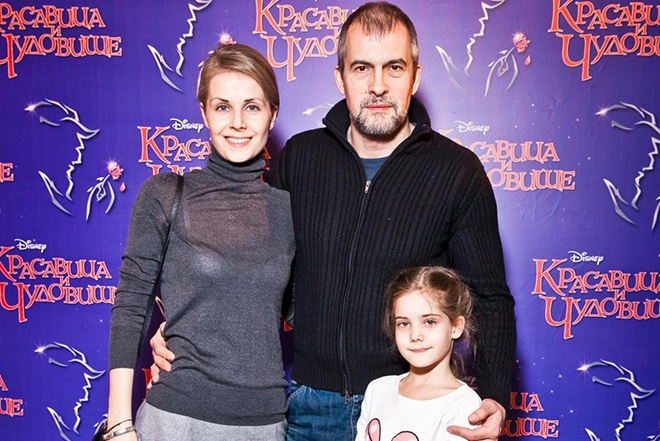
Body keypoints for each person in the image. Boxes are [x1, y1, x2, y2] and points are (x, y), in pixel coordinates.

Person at [152, 3, 516, 441]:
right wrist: (182, 331)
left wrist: (495, 394)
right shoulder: (299, 159)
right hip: (311, 406)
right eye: (362, 68)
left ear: (415, 77)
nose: (378, 85)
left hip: (411, 408)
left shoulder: (458, 171)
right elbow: (245, 271)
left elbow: (489, 296)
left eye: (394, 67)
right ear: (340, 77)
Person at [105, 42, 295, 441]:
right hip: (176, 419)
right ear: (205, 113)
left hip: (264, 423)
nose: (238, 122)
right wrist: (119, 424)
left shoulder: (288, 210)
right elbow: (131, 306)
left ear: (273, 114)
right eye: (223, 107)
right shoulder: (165, 194)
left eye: (252, 107)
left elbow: (304, 311)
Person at [355, 266, 481, 441]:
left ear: (456, 327)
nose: (415, 335)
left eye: (429, 321)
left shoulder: (463, 404)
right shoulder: (377, 390)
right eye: (404, 324)